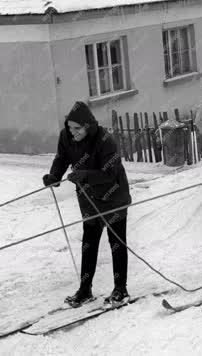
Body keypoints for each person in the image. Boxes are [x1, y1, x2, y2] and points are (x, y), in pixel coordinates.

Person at [43, 101, 131, 307]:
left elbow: (110, 173)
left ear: (88, 126)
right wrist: (54, 176)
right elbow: (62, 157)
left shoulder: (105, 140)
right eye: (70, 127)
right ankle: (84, 290)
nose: (72, 132)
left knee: (116, 243)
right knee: (88, 244)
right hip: (89, 198)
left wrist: (84, 175)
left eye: (77, 128)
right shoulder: (66, 136)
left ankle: (120, 289)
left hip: (113, 195)